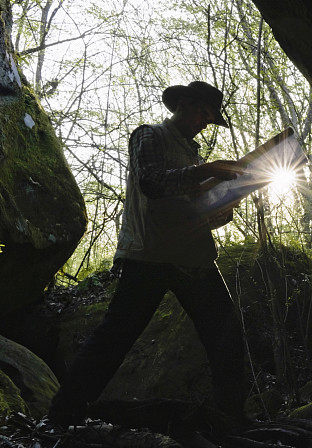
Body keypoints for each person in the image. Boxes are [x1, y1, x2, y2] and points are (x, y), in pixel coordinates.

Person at [48, 81, 247, 426]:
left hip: (194, 258)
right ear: (183, 104)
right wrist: (209, 170)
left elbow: (189, 206)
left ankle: (232, 419)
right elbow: (153, 183)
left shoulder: (193, 151)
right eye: (203, 112)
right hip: (148, 257)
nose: (205, 121)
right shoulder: (149, 136)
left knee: (226, 335)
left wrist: (219, 212)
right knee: (115, 337)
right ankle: (63, 414)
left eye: (211, 118)